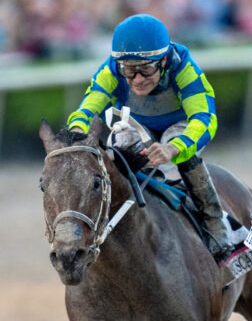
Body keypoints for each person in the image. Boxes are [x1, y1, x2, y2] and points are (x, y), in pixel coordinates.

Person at [68, 13, 233, 260]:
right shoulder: (112, 69)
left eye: (145, 69)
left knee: (173, 152)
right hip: (136, 122)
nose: (137, 79)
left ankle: (213, 221)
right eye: (129, 71)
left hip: (180, 124)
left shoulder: (184, 68)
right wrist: (77, 128)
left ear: (164, 61)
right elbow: (88, 107)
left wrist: (175, 148)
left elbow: (203, 120)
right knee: (116, 149)